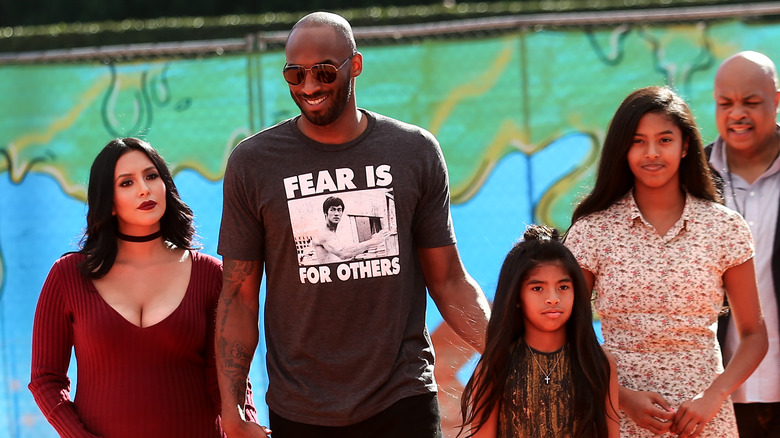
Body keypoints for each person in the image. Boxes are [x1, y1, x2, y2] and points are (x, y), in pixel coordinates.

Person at [215, 11, 491, 438]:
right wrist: (232, 409)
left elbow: (450, 281)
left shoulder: (414, 152)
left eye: (324, 72)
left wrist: (510, 354)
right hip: (301, 406)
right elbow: (238, 297)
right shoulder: (253, 164)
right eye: (294, 74)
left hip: (403, 398)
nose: (308, 87)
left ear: (354, 65)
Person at [565, 86, 768, 437]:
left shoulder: (724, 227)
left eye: (664, 139)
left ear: (685, 145)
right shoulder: (592, 231)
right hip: (614, 418)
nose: (652, 153)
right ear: (622, 148)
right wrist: (622, 398)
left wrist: (715, 394)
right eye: (638, 141)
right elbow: (567, 333)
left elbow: (754, 335)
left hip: (705, 420)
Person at [29, 138, 255, 437]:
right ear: (107, 202)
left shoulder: (209, 274)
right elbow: (46, 380)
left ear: (166, 185)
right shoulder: (68, 275)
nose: (144, 189)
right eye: (126, 183)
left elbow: (230, 376)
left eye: (151, 176)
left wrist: (244, 421)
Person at [458, 225, 619, 438]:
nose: (553, 298)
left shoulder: (598, 363)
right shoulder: (495, 367)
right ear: (516, 297)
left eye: (563, 287)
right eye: (537, 288)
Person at [707, 50, 780, 437]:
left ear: (777, 100)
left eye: (751, 102)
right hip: (716, 392)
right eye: (726, 103)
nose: (737, 113)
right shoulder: (691, 179)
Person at [310, 195, 391, 263]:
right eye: (332, 210)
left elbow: (343, 253)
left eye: (339, 210)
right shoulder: (324, 233)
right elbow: (343, 253)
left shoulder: (333, 232)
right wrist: (374, 241)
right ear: (325, 213)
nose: (336, 213)